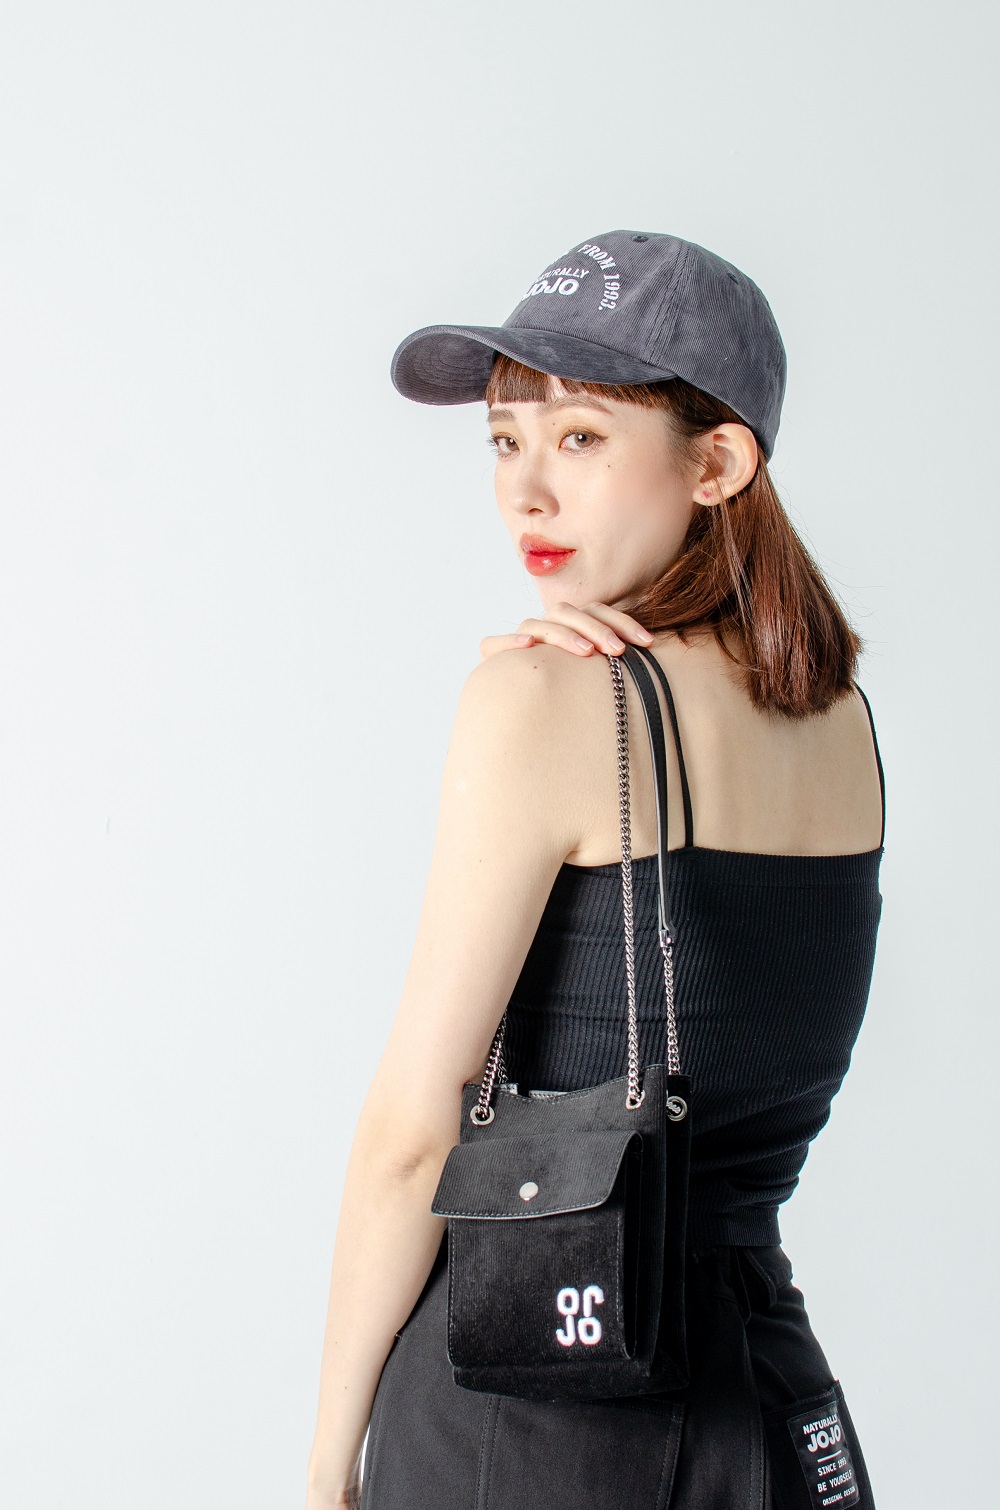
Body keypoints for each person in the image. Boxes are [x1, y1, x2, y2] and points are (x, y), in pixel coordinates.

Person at [304, 230, 885, 1510]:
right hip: (770, 1399)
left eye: (578, 437)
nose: (524, 492)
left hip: (531, 1407)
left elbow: (413, 1133)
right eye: (503, 440)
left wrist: (327, 1460)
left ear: (716, 462)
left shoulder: (543, 701)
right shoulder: (841, 719)